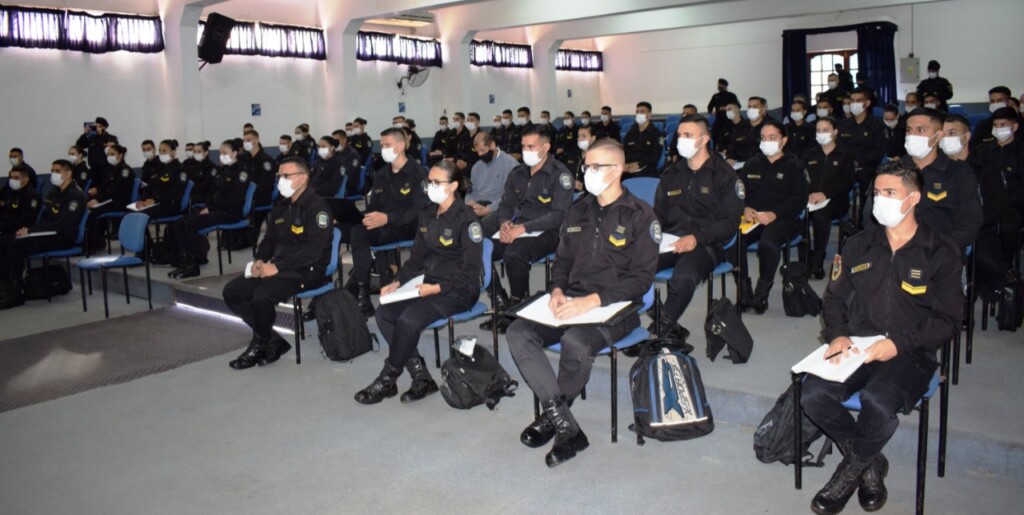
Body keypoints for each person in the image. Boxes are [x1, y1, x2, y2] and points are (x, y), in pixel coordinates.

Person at [801, 161, 962, 515]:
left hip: (911, 351)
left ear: (914, 198)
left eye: (890, 193)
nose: (880, 200)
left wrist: (899, 344)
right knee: (813, 395)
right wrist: (838, 335)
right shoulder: (858, 244)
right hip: (858, 345)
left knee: (877, 400)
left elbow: (949, 319)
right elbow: (834, 299)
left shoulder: (940, 251)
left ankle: (849, 473)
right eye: (877, 192)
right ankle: (870, 463)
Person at [506, 138, 659, 467]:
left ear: (617, 170)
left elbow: (642, 280)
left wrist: (593, 301)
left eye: (595, 167)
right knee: (518, 331)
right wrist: (557, 290)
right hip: (571, 300)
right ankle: (563, 421)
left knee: (575, 342)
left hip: (617, 309)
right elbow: (561, 261)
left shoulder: (640, 215)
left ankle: (554, 419)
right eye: (585, 166)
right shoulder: (577, 208)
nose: (586, 172)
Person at [355, 160, 483, 405]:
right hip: (430, 284)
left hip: (459, 290)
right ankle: (421, 377)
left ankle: (387, 379)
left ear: (454, 185)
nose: (430, 186)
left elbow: (471, 270)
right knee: (384, 314)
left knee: (409, 319)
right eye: (429, 182)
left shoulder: (467, 219)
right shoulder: (427, 214)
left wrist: (436, 288)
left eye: (437, 182)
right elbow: (416, 259)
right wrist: (398, 281)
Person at [222, 157, 333, 369]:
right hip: (280, 268)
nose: (280, 180)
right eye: (279, 176)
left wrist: (277, 267)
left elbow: (313, 252)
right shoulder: (281, 207)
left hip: (308, 271)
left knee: (262, 296)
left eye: (285, 176)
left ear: (302, 178)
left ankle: (261, 342)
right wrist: (260, 260)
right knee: (233, 291)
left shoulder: (318, 208)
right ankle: (272, 339)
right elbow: (269, 240)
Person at [650, 115, 745, 339]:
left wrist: (697, 238)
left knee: (683, 278)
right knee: (633, 267)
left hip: (707, 244)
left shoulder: (724, 175)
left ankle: (659, 331)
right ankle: (667, 322)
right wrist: (648, 236)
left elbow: (731, 222)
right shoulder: (671, 174)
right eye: (680, 135)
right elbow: (658, 214)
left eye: (688, 135)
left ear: (704, 139)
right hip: (670, 240)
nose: (681, 140)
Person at [480, 126, 573, 333]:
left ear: (546, 147)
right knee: (477, 247)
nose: (525, 150)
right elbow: (506, 204)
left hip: (547, 232)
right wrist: (504, 222)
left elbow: (559, 215)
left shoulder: (560, 175)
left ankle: (517, 306)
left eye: (531, 146)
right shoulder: (518, 173)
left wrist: (523, 228)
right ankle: (499, 300)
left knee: (514, 253)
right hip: (516, 228)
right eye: (523, 146)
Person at [862, 108, 982, 251]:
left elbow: (969, 224)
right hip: (893, 250)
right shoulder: (890, 172)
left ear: (938, 136)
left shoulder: (959, 174)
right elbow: (870, 218)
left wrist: (937, 249)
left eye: (921, 130)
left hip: (940, 252)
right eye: (909, 130)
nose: (912, 135)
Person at [345, 128, 429, 316]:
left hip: (408, 226)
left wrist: (388, 219)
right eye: (381, 145)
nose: (382, 148)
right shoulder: (382, 174)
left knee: (360, 234)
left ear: (400, 146)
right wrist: (362, 216)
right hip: (384, 225)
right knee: (353, 229)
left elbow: (419, 210)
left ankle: (362, 290)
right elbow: (374, 204)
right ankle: (362, 294)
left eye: (387, 145)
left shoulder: (418, 172)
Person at [737, 119, 809, 313]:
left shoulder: (794, 165)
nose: (766, 141)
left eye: (772, 137)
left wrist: (775, 214)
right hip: (753, 219)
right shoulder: (752, 164)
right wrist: (745, 208)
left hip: (784, 219)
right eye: (763, 138)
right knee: (735, 241)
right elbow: (740, 193)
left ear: (783, 140)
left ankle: (761, 293)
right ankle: (744, 291)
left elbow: (799, 199)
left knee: (767, 243)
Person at [0, 160, 87, 303]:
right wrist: (31, 231)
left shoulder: (75, 195)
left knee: (16, 246)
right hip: (46, 232)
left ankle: (16, 290)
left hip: (62, 237)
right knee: (4, 241)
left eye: (57, 171)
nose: (53, 174)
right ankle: (5, 283)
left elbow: (62, 224)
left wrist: (31, 230)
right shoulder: (55, 192)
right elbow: (45, 218)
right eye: (52, 170)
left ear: (69, 173)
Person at [169, 140, 251, 279]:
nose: (222, 155)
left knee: (191, 224)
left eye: (225, 152)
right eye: (220, 152)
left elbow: (234, 199)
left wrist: (211, 208)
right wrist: (207, 206)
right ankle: (186, 260)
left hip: (230, 212)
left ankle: (194, 264)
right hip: (216, 209)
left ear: (235, 153)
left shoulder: (241, 172)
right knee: (179, 223)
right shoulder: (222, 170)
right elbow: (212, 192)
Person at [975, 107, 1023, 279]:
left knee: (1009, 228)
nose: (999, 128)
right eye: (996, 125)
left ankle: (1005, 268)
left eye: (1003, 124)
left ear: (1014, 127)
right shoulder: (984, 151)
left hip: (1014, 207)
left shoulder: (1020, 151)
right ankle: (986, 272)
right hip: (987, 205)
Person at [805, 116, 855, 279]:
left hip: (836, 200)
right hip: (810, 199)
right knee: (797, 215)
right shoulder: (809, 152)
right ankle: (805, 257)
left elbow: (847, 182)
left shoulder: (845, 153)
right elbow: (801, 177)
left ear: (835, 132)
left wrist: (825, 194)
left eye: (825, 130)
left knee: (820, 217)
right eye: (818, 130)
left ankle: (818, 262)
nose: (821, 134)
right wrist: (809, 194)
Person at [84, 144, 136, 250]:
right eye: (108, 154)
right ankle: (89, 241)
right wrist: (97, 196)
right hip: (110, 200)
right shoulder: (111, 169)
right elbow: (104, 187)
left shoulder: (124, 170)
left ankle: (95, 243)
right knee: (87, 205)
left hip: (119, 202)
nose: (109, 156)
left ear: (120, 155)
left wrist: (98, 200)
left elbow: (116, 191)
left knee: (94, 210)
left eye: (112, 154)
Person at [837, 87, 887, 190]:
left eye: (858, 101)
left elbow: (878, 151)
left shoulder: (876, 125)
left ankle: (865, 205)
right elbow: (839, 146)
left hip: (867, 166)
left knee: (867, 178)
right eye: (852, 101)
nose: (854, 103)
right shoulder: (843, 125)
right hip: (846, 165)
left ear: (867, 103)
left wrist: (858, 162)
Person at [465, 131, 516, 219]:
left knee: (479, 227)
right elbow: (470, 192)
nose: (480, 154)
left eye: (483, 150)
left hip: (497, 207)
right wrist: (470, 202)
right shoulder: (476, 167)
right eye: (478, 152)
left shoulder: (510, 164)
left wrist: (489, 209)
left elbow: (510, 196)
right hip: (478, 205)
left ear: (492, 145)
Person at [725, 97, 773, 167]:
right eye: (749, 107)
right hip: (741, 164)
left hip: (762, 165)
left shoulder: (770, 127)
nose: (751, 109)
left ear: (763, 110)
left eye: (755, 107)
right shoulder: (740, 127)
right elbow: (732, 148)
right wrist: (730, 158)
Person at [623, 101, 663, 177]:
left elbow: (655, 156)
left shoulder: (656, 134)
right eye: (637, 112)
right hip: (629, 167)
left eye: (642, 112)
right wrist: (626, 164)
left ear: (649, 115)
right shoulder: (631, 132)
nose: (639, 114)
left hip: (647, 167)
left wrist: (639, 165)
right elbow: (625, 150)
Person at [971, 86, 1014, 151]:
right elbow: (974, 148)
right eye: (992, 101)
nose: (995, 103)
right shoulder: (982, 125)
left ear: (1008, 102)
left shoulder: (1018, 123)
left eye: (999, 100)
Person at [0, 166, 39, 235]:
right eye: (11, 177)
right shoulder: (12, 192)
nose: (12, 180)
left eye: (16, 178)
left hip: (16, 232)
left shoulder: (31, 195)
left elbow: (25, 221)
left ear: (26, 179)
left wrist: (2, 226)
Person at [708, 78, 740, 145]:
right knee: (715, 135)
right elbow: (709, 107)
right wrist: (712, 112)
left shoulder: (731, 95)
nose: (719, 87)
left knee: (729, 136)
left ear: (725, 86)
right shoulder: (715, 96)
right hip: (719, 119)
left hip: (729, 119)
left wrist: (726, 108)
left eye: (721, 85)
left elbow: (738, 106)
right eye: (718, 85)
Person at [187, 141, 217, 205]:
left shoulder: (211, 167)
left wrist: (188, 190)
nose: (196, 153)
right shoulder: (193, 164)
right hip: (192, 192)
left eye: (199, 151)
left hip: (204, 195)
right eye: (194, 151)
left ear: (206, 153)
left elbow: (205, 186)